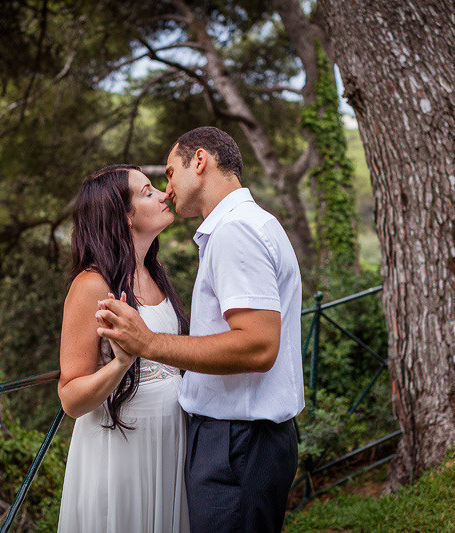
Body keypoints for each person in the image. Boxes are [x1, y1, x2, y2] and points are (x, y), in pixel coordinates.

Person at [96, 127, 305, 533]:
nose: (167, 188)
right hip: (242, 440)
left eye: (170, 173)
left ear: (200, 161)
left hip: (237, 443)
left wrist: (150, 343)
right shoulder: (246, 223)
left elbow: (258, 346)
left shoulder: (234, 231)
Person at [57, 164, 191, 533]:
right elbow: (70, 398)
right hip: (121, 450)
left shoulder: (153, 272)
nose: (164, 194)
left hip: (170, 441)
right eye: (148, 192)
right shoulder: (91, 285)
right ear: (124, 216)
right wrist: (119, 366)